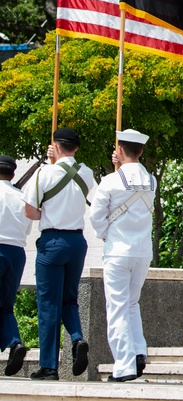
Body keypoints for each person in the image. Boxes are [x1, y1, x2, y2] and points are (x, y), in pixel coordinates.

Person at [21, 127, 94, 381]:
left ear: (56, 146)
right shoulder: (86, 173)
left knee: (49, 304)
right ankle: (76, 338)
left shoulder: (44, 172)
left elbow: (30, 211)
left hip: (52, 240)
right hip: (77, 241)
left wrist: (48, 214)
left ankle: (49, 365)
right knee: (69, 299)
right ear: (76, 147)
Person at [89, 129, 155, 382]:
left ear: (119, 150)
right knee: (131, 304)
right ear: (140, 150)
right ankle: (138, 351)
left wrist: (106, 234)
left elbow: (96, 216)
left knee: (117, 308)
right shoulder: (151, 180)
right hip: (142, 251)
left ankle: (124, 365)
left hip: (118, 251)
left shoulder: (110, 181)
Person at [0, 154, 31, 376]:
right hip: (17, 252)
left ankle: (13, 342)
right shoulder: (22, 197)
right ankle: (14, 342)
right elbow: (28, 229)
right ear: (13, 174)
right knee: (6, 305)